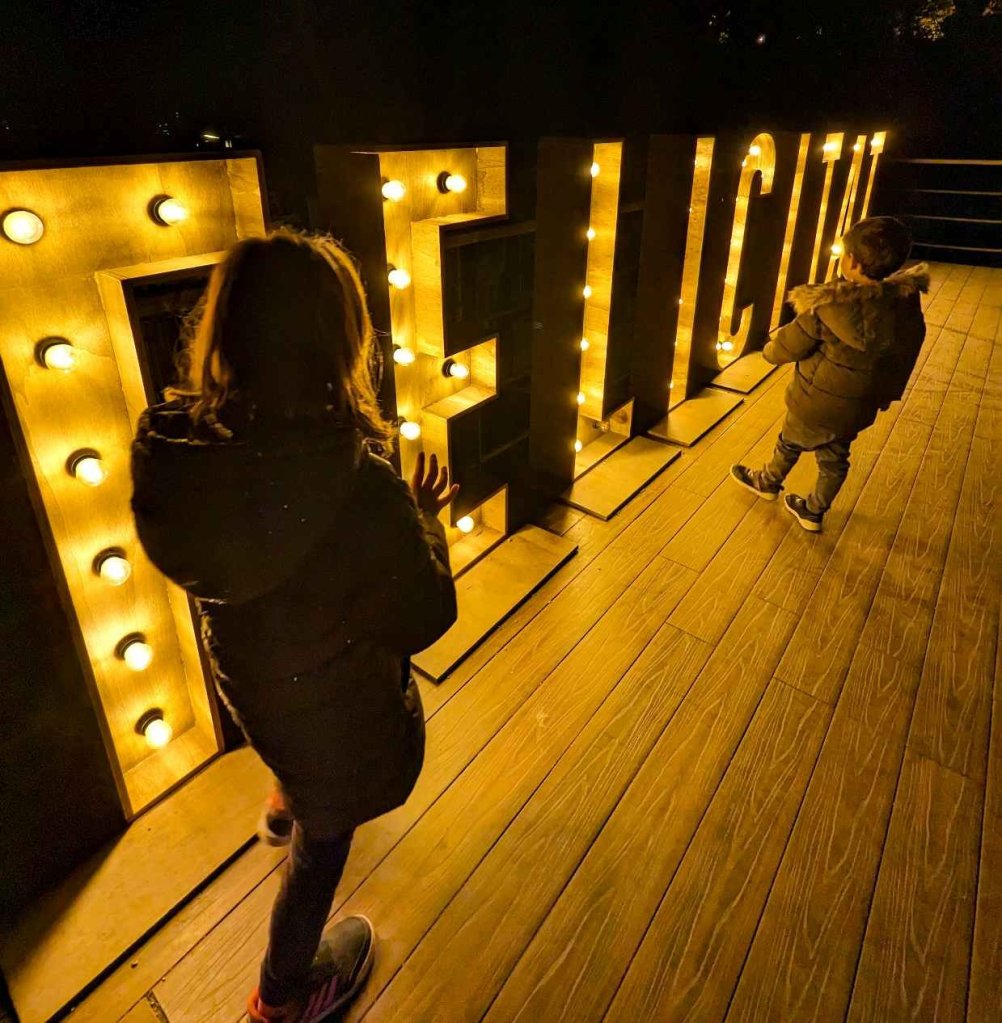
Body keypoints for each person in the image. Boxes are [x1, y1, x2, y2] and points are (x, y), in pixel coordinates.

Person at [130, 231, 459, 1022]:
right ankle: (281, 996)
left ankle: (284, 793)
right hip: (340, 715)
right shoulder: (358, 485)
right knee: (326, 840)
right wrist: (423, 523)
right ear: (340, 339)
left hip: (249, 679)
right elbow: (425, 615)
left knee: (287, 722)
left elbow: (252, 568)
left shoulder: (169, 444)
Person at [731, 216, 929, 532]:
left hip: (815, 401)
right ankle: (814, 510)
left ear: (851, 261)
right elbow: (907, 354)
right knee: (835, 458)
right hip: (858, 406)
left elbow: (789, 346)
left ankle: (767, 482)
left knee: (789, 442)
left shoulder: (829, 306)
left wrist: (768, 353)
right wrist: (886, 395)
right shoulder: (903, 306)